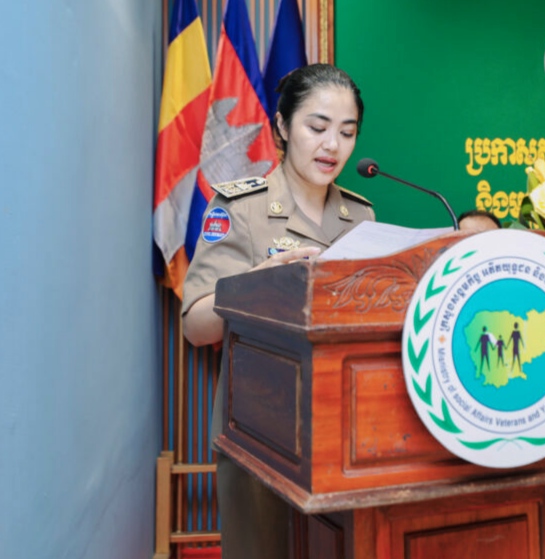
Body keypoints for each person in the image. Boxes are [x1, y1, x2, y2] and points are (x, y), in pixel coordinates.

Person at [181, 63, 375, 558]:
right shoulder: (240, 208)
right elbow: (196, 325)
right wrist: (258, 287)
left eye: (347, 132)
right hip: (262, 433)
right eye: (318, 127)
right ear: (283, 126)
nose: (332, 145)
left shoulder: (361, 217)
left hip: (346, 434)